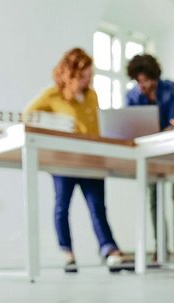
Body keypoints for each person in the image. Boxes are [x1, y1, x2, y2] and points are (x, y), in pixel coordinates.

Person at [25, 48, 123, 273]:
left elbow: (97, 126)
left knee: (97, 206)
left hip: (91, 160)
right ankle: (68, 253)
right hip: (64, 160)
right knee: (62, 206)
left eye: (89, 76)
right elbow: (28, 115)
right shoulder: (53, 95)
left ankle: (109, 249)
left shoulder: (92, 95)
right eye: (82, 76)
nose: (86, 81)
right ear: (68, 73)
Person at [126, 54, 174, 262]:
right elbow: (131, 124)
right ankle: (159, 246)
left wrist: (169, 128)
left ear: (154, 77)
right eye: (138, 81)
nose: (141, 85)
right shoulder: (132, 96)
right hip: (149, 151)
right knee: (154, 198)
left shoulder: (172, 89)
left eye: (145, 80)